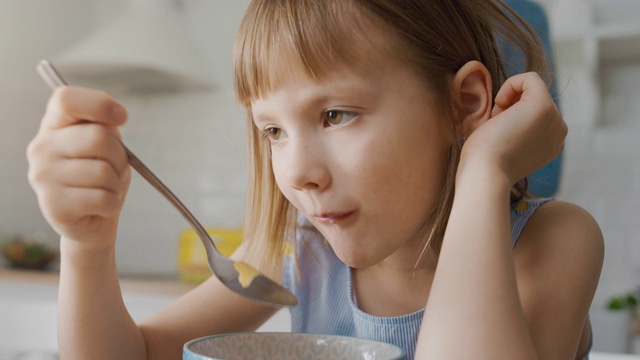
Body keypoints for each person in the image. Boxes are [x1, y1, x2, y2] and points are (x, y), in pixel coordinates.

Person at [26, 0, 604, 359]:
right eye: (273, 130)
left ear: (465, 103)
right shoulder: (302, 254)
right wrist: (86, 244)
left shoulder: (552, 243)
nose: (298, 173)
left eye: (335, 115)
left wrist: (485, 170)